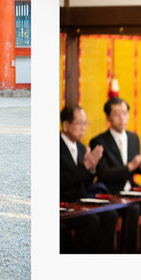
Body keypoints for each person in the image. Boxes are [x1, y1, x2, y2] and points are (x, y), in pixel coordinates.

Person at [89, 97, 141, 252]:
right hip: (111, 192)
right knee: (133, 209)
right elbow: (103, 174)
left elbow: (134, 168)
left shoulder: (134, 138)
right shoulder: (98, 141)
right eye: (116, 114)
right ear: (108, 117)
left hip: (131, 190)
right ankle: (129, 253)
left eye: (125, 113)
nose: (122, 118)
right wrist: (131, 166)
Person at [59, 105, 118, 253]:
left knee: (111, 215)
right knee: (91, 220)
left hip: (79, 200)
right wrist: (86, 165)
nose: (83, 128)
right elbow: (61, 180)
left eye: (85, 123)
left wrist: (91, 169)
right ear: (66, 125)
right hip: (63, 202)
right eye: (80, 123)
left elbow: (85, 183)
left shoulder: (80, 147)